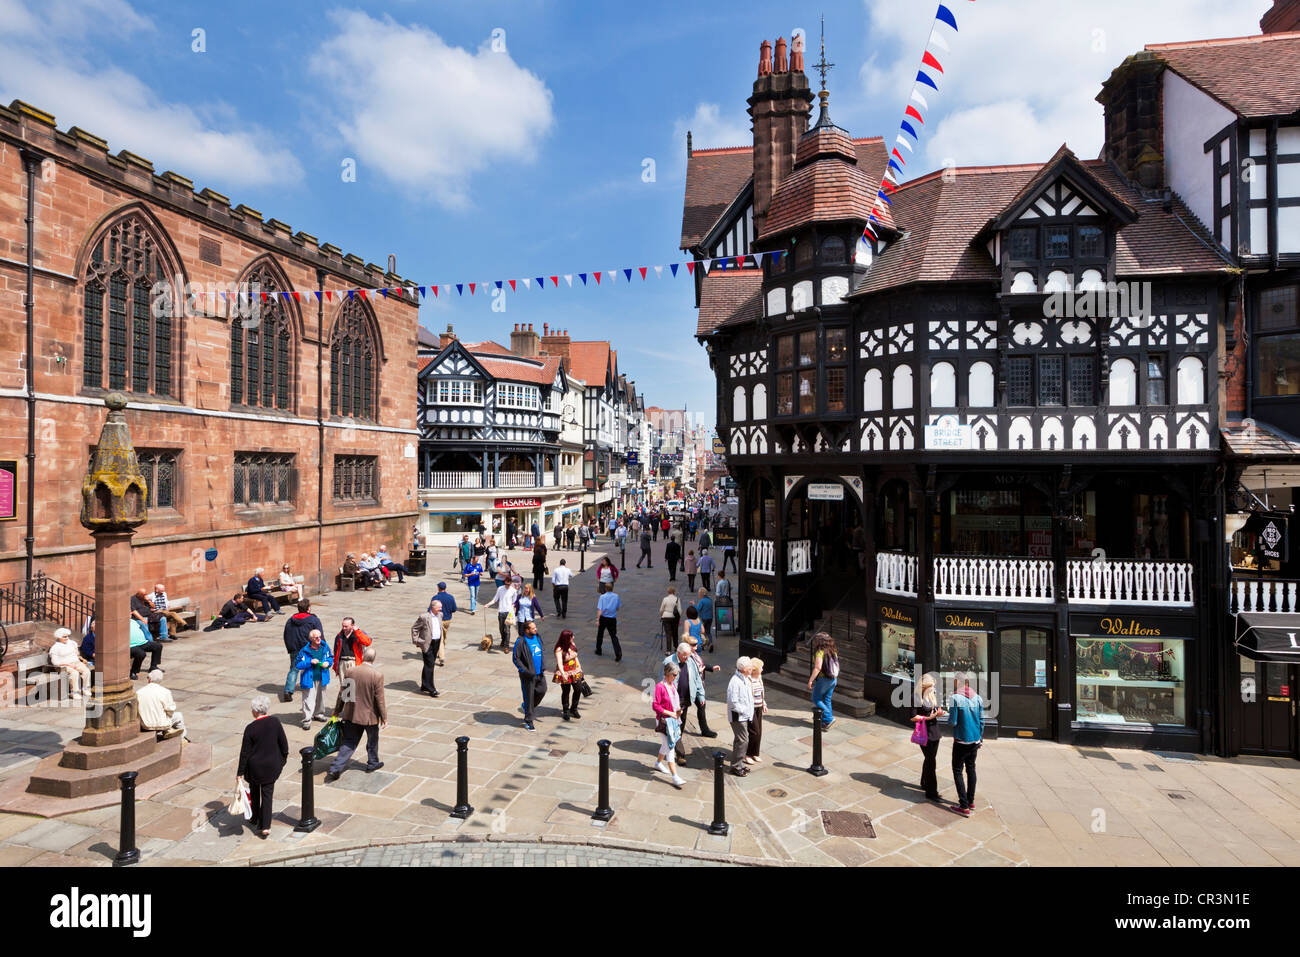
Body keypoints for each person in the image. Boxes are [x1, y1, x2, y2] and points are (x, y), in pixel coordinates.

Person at [326, 646, 388, 781]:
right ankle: (372, 763)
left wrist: (337, 711)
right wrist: (384, 717)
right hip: (369, 716)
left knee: (348, 742)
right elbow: (380, 699)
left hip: (352, 714)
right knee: (372, 740)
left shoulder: (350, 671)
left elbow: (343, 694)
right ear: (374, 659)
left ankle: (335, 768)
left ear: (363, 656)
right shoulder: (377, 675)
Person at [237, 695, 288, 839]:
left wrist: (239, 772)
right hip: (271, 766)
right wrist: (281, 761)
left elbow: (244, 753)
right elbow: (283, 745)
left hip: (254, 768)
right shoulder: (275, 722)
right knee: (267, 795)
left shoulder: (250, 728)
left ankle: (254, 817)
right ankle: (265, 826)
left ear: (254, 711)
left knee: (254, 791)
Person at [947, 673, 985, 817]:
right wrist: (980, 738)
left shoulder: (955, 698)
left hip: (961, 740)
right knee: (971, 769)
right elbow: (982, 721)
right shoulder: (978, 698)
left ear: (957, 682)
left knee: (957, 770)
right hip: (975, 740)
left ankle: (963, 806)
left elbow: (953, 722)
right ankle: (971, 801)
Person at [911, 673, 946, 803]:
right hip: (924, 734)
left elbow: (936, 710)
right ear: (925, 686)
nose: (934, 689)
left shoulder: (932, 695)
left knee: (930, 759)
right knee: (931, 762)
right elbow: (913, 717)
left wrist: (939, 714)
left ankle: (924, 782)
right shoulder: (916, 698)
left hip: (935, 732)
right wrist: (928, 718)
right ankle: (932, 792)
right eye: (931, 686)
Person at [281, 599, 323, 702]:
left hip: (295, 648)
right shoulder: (314, 620)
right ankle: (309, 688)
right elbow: (318, 634)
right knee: (311, 667)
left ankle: (288, 691)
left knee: (294, 669)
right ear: (309, 608)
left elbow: (286, 635)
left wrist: (290, 647)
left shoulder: (290, 620)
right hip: (309, 648)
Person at [652, 661, 686, 789]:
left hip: (672, 720)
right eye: (674, 675)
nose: (675, 677)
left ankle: (658, 763)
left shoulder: (672, 685)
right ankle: (675, 776)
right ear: (667, 673)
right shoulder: (660, 687)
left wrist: (678, 711)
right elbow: (655, 706)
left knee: (665, 744)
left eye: (676, 675)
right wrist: (671, 713)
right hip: (663, 721)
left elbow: (674, 702)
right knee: (670, 747)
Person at [295, 630, 332, 729]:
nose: (319, 639)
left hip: (322, 677)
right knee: (308, 699)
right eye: (316, 637)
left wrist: (328, 663)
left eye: (320, 636)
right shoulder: (304, 650)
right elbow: (298, 664)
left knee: (321, 698)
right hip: (309, 679)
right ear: (311, 639)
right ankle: (307, 719)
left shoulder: (325, 647)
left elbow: (330, 657)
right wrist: (309, 661)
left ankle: (318, 714)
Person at [513, 620, 547, 731]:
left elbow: (541, 649)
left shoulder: (537, 637)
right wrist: (525, 671)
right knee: (529, 697)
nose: (535, 629)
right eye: (533, 628)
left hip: (539, 673)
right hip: (528, 676)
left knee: (542, 690)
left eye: (535, 627)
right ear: (527, 630)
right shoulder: (521, 641)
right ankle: (528, 721)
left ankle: (527, 706)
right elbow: (516, 658)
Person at [137, 669, 187, 741]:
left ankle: (168, 730)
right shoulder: (165, 692)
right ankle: (182, 738)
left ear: (149, 679)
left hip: (145, 725)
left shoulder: (139, 692)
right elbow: (171, 709)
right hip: (162, 725)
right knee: (179, 716)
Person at [331, 617, 372, 704]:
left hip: (354, 662)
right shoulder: (339, 636)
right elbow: (336, 652)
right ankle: (347, 708)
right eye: (343, 626)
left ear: (352, 625)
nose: (344, 628)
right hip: (342, 662)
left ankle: (355, 708)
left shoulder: (358, 633)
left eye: (346, 626)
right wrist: (336, 666)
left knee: (355, 686)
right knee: (345, 686)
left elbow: (367, 642)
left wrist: (357, 631)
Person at [725, 657, 754, 776]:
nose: (752, 669)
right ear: (743, 669)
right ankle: (736, 766)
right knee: (743, 740)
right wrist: (744, 711)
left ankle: (738, 764)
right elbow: (733, 702)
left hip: (744, 715)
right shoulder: (735, 682)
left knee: (739, 740)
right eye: (750, 667)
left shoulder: (745, 679)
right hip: (738, 717)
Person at [807, 632, 839, 730]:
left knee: (816, 698)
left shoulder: (820, 652)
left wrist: (810, 680)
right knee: (826, 699)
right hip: (833, 679)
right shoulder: (833, 650)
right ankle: (825, 722)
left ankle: (829, 718)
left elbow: (817, 667)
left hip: (823, 679)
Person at [48, 627, 91, 699]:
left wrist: (76, 651)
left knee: (86, 671)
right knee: (74, 673)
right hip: (63, 666)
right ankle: (74, 693)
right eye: (64, 637)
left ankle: (85, 689)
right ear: (59, 638)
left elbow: (76, 651)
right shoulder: (55, 648)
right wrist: (69, 665)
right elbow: (55, 662)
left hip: (75, 662)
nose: (67, 638)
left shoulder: (71, 643)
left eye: (67, 636)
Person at [411, 600, 442, 697]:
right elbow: (414, 628)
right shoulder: (424, 617)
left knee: (428, 664)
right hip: (427, 643)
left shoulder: (440, 615)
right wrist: (417, 641)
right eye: (439, 607)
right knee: (430, 665)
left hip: (436, 642)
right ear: (433, 607)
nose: (440, 609)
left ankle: (424, 685)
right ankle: (431, 689)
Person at [553, 629, 583, 721]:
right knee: (566, 692)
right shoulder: (559, 649)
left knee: (578, 689)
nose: (573, 637)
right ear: (566, 638)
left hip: (575, 670)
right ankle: (566, 710)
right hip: (565, 672)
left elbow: (575, 657)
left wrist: (580, 668)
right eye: (571, 636)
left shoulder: (573, 644)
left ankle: (574, 708)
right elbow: (560, 663)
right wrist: (563, 674)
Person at [485, 576, 519, 650]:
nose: (507, 586)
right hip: (501, 611)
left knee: (507, 629)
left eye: (509, 584)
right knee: (501, 628)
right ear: (504, 582)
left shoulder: (513, 591)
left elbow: (514, 602)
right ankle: (503, 639)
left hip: (509, 612)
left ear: (510, 583)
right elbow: (495, 599)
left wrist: (513, 609)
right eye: (506, 584)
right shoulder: (500, 589)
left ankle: (506, 646)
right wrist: (488, 604)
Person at [745, 658, 768, 764]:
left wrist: (764, 703)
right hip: (750, 708)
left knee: (759, 732)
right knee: (754, 731)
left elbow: (761, 692)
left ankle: (755, 753)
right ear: (755, 670)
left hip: (758, 707)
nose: (762, 669)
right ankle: (747, 754)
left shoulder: (759, 677)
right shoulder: (748, 679)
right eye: (761, 668)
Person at [594, 582, 622, 662]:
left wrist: (598, 619)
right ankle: (618, 653)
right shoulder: (616, 596)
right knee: (613, 636)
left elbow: (600, 609)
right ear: (612, 588)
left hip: (603, 618)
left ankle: (598, 650)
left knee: (600, 634)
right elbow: (618, 607)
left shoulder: (602, 597)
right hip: (612, 618)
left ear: (605, 589)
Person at [433, 582, 457, 665]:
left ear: (438, 588)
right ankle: (440, 652)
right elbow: (454, 609)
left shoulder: (436, 598)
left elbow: (430, 609)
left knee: (441, 639)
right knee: (443, 637)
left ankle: (441, 657)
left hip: (439, 621)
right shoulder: (450, 597)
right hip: (448, 620)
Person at [658, 586, 682, 654]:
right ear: (674, 592)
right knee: (675, 633)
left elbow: (661, 609)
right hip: (674, 618)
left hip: (666, 617)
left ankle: (668, 650)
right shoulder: (677, 599)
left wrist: (661, 615)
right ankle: (676, 647)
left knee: (668, 633)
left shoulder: (665, 599)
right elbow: (680, 610)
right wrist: (679, 618)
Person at [696, 588, 715, 653]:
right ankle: (710, 643)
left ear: (701, 594)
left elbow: (697, 609)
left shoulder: (702, 601)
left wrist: (693, 604)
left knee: (702, 632)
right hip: (710, 618)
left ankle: (702, 645)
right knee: (708, 632)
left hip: (704, 618)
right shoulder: (710, 600)